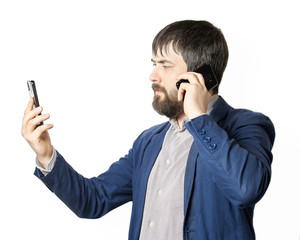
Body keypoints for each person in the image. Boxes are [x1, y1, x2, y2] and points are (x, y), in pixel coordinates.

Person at [21, 20, 275, 240]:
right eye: (153, 64)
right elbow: (93, 200)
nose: (153, 75)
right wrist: (46, 154)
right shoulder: (149, 142)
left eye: (165, 66)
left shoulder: (246, 125)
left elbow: (245, 189)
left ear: (201, 73)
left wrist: (198, 116)